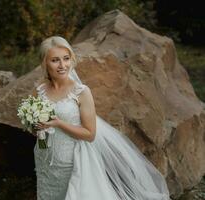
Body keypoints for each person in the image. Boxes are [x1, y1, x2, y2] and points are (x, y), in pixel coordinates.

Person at [32, 36, 170, 200]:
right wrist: (36, 127)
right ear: (45, 63)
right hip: (44, 158)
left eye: (66, 59)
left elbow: (90, 134)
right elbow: (39, 126)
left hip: (71, 161)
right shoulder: (40, 90)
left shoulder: (81, 92)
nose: (62, 65)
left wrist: (59, 123)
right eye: (55, 60)